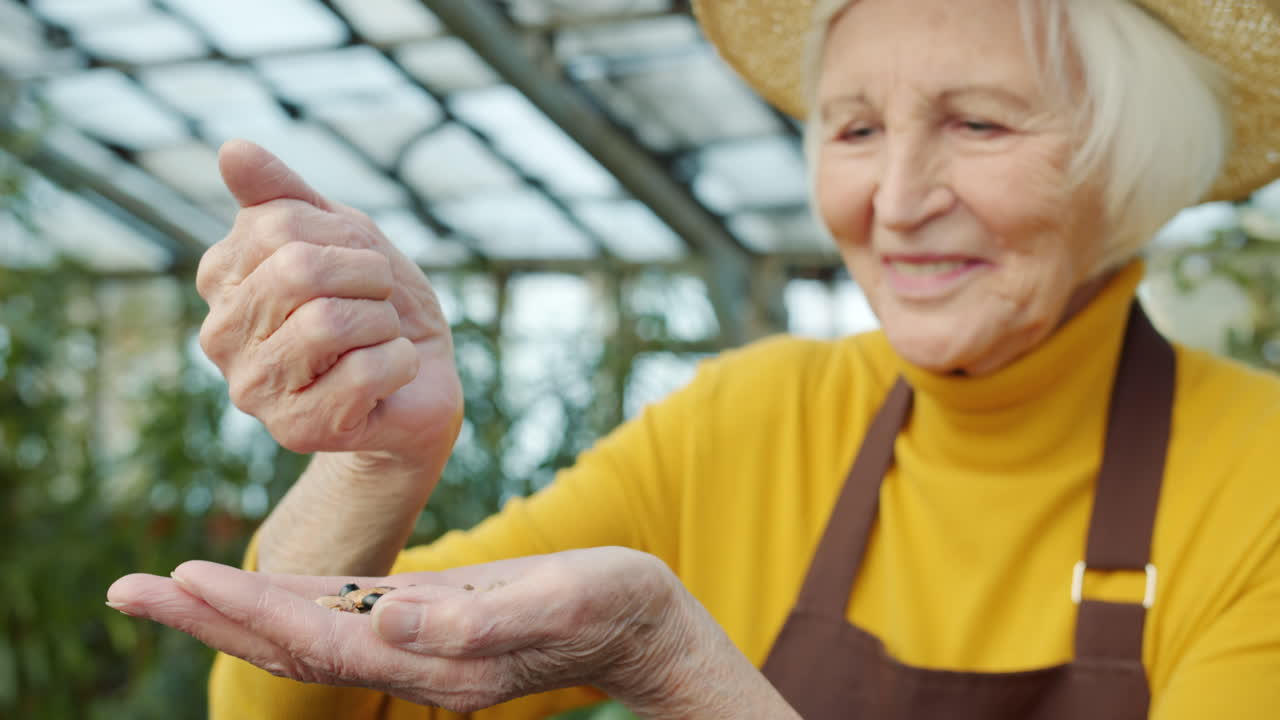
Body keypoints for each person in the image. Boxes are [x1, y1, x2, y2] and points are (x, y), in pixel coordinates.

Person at [107, 0, 1280, 717]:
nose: (899, 199)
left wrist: (678, 670)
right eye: (855, 129)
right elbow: (333, 699)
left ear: (1128, 164)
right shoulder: (751, 420)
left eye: (979, 122)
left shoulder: (1256, 482)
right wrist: (375, 465)